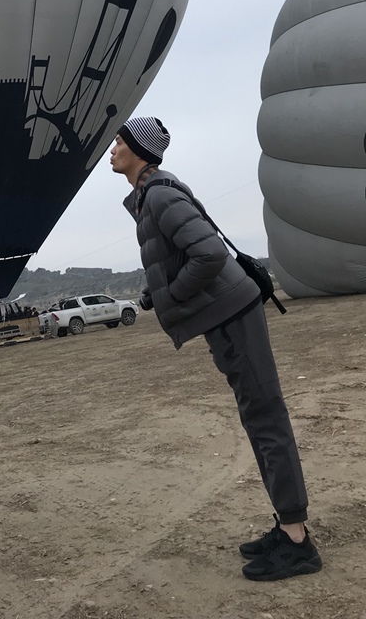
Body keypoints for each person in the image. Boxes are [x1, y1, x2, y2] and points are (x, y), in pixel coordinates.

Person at [110, 116, 322, 583]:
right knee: (257, 416)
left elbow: (208, 255)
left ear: (139, 151)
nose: (112, 148)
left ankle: (297, 541)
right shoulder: (153, 194)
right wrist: (157, 292)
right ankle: (287, 526)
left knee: (266, 417)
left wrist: (173, 295)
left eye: (120, 141)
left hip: (231, 315)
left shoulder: (159, 196)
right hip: (227, 316)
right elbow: (182, 257)